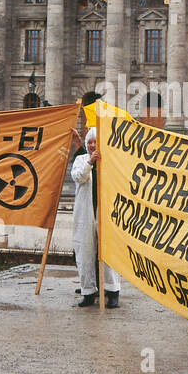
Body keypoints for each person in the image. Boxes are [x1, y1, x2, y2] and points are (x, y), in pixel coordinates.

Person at [71, 127, 120, 308]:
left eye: (95, 142)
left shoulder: (109, 161)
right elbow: (78, 177)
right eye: (89, 142)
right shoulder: (81, 160)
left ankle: (113, 291)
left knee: (108, 253)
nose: (92, 145)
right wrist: (90, 162)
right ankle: (88, 292)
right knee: (85, 252)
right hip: (85, 214)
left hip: (105, 213)